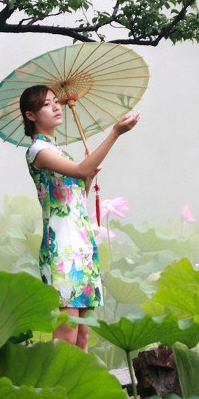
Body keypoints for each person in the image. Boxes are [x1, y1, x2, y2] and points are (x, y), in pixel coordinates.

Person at [19, 85, 140, 351]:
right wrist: (115, 134)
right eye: (47, 104)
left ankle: (78, 391)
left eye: (56, 102)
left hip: (81, 245)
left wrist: (89, 176)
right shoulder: (38, 151)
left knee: (83, 335)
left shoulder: (61, 152)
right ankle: (56, 391)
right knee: (67, 333)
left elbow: (76, 200)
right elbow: (79, 168)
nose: (55, 107)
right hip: (61, 248)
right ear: (31, 115)